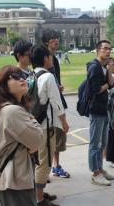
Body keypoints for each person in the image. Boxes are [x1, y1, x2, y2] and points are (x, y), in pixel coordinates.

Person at [0, 65, 43, 206]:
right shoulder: (12, 111)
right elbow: (37, 140)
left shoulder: (12, 108)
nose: (22, 79)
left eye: (23, 76)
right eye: (15, 77)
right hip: (16, 180)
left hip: (16, 177)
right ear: (3, 85)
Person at [30, 45, 69, 206]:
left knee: (36, 161)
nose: (52, 58)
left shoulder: (32, 75)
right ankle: (39, 200)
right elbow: (56, 102)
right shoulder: (48, 77)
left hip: (33, 124)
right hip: (46, 125)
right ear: (45, 58)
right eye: (50, 56)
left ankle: (37, 194)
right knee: (44, 162)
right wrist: (64, 123)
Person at [42, 29, 70, 178]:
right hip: (49, 105)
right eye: (53, 39)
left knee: (58, 137)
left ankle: (55, 165)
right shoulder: (43, 59)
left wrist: (58, 87)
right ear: (46, 41)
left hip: (57, 99)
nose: (56, 41)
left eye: (57, 38)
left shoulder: (55, 59)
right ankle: (47, 169)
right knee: (50, 137)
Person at [87, 40, 114, 186]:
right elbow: (95, 89)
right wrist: (105, 85)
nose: (108, 51)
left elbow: (112, 83)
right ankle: (95, 173)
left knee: (103, 143)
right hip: (96, 109)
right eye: (105, 49)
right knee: (94, 143)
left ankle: (100, 169)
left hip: (104, 109)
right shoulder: (94, 67)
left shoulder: (103, 67)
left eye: (109, 49)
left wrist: (109, 70)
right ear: (98, 50)